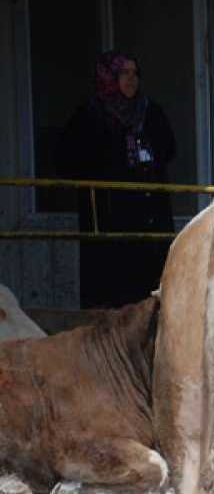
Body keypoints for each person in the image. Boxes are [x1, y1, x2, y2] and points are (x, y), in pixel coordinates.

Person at [58, 51, 176, 308]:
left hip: (149, 217)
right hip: (109, 218)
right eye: (124, 73)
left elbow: (169, 149)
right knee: (112, 296)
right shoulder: (91, 115)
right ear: (109, 77)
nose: (131, 80)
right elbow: (67, 161)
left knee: (148, 296)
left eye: (135, 73)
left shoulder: (150, 111)